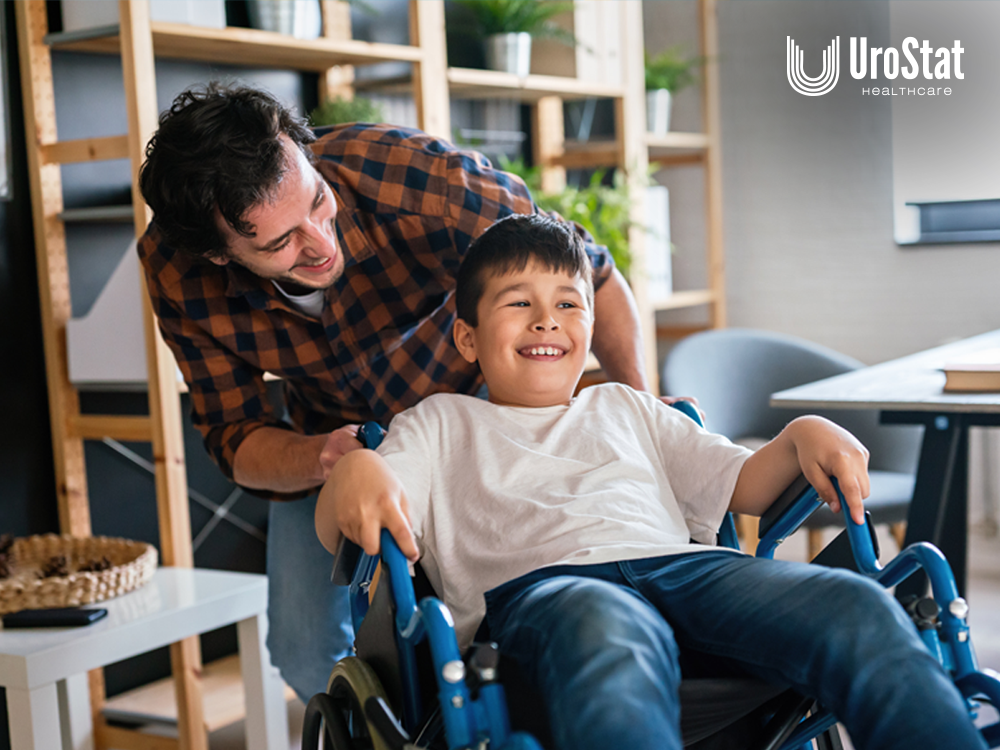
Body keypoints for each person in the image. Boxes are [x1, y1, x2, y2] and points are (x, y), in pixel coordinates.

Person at [315, 214, 986, 750]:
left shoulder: (626, 405)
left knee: (856, 604)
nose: (546, 320)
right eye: (519, 303)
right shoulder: (436, 423)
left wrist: (800, 434)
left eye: (568, 304)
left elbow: (744, 487)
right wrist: (355, 470)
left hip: (687, 572)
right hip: (544, 597)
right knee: (607, 625)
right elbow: (355, 516)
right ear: (467, 338)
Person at [136, 83, 652, 700]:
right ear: (218, 254)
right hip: (330, 443)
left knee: (503, 619)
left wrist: (640, 406)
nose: (322, 245)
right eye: (280, 243)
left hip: (477, 417)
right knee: (304, 653)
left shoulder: (419, 178)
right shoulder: (175, 269)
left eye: (318, 204)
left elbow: (591, 275)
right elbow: (235, 434)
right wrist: (324, 457)